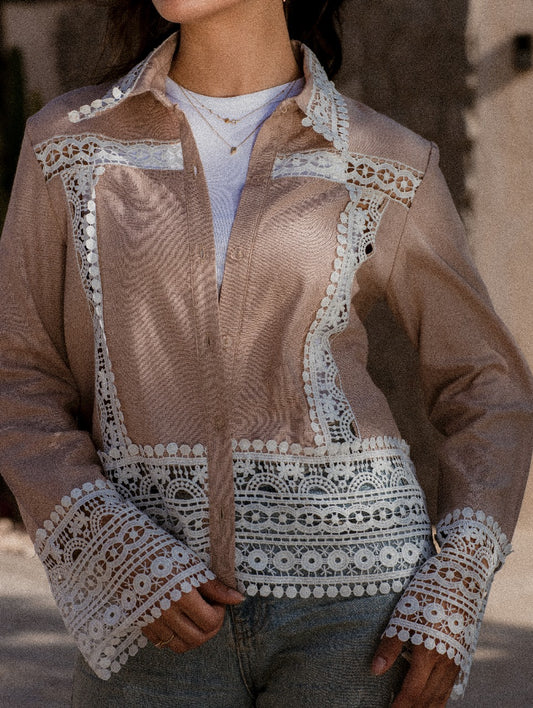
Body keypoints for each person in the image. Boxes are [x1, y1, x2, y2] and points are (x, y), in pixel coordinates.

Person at [1, 1, 532, 706]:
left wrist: (458, 577)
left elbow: (487, 386)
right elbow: (18, 375)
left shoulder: (385, 157)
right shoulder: (69, 141)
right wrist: (110, 546)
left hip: (358, 614)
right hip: (150, 611)